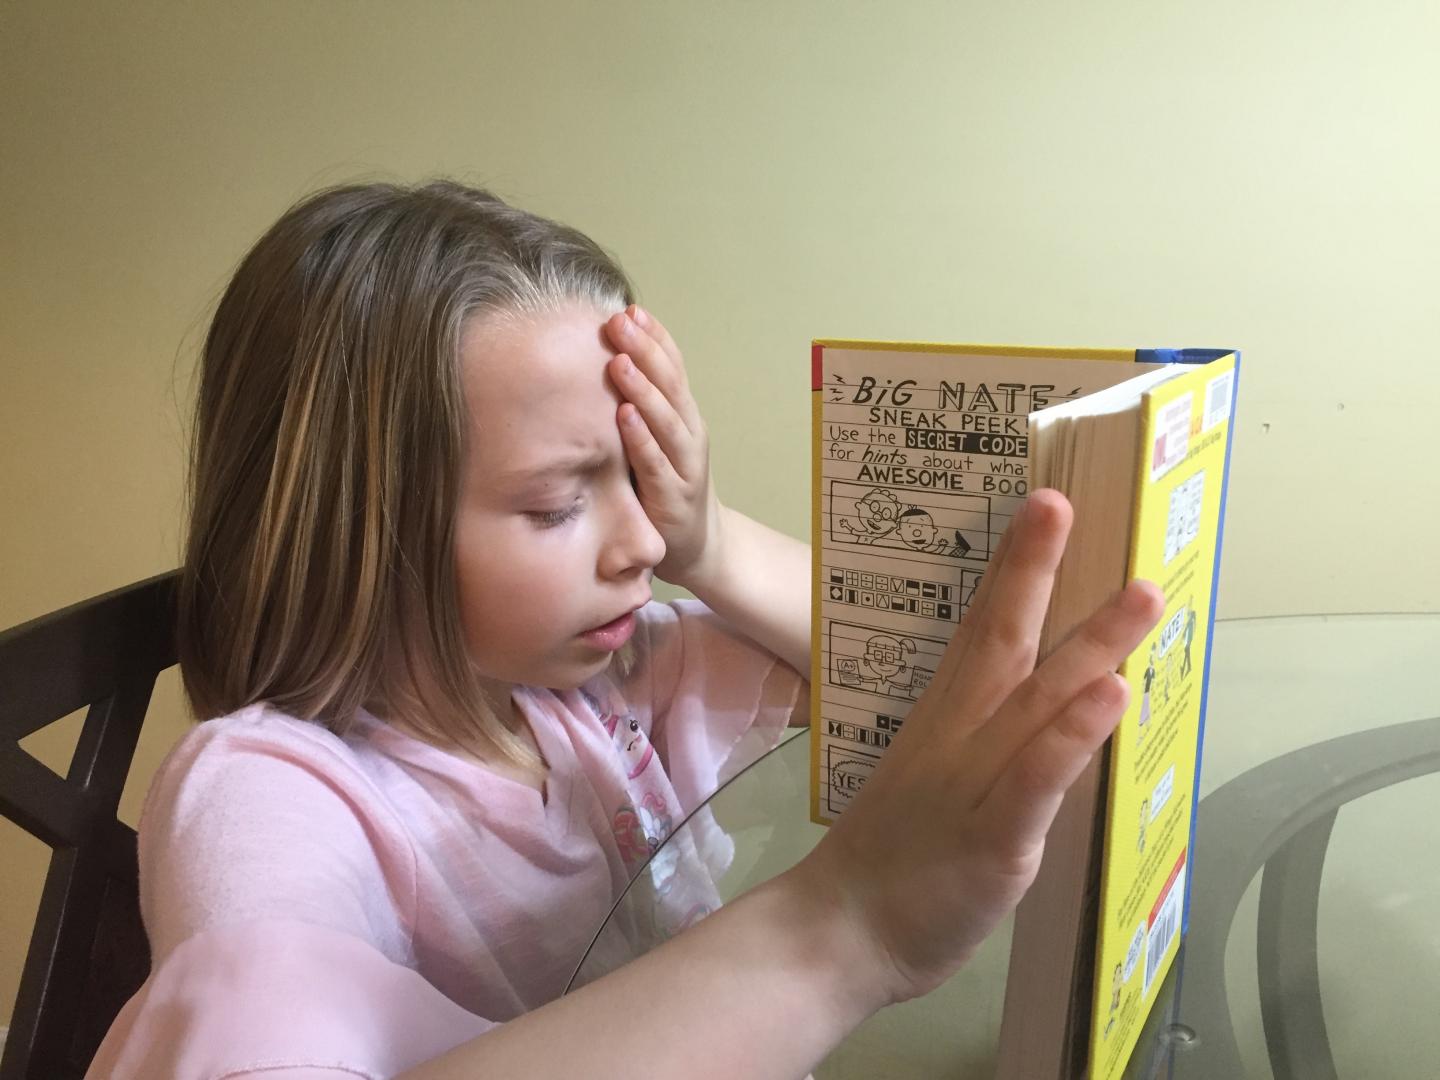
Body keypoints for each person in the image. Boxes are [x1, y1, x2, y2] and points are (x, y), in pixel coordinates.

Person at [86, 180, 1163, 1079]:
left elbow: (908, 666)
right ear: (355, 530)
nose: (638, 543)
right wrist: (848, 924)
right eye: (561, 505)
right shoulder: (269, 794)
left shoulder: (599, 687)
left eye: (645, 482)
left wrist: (713, 544)